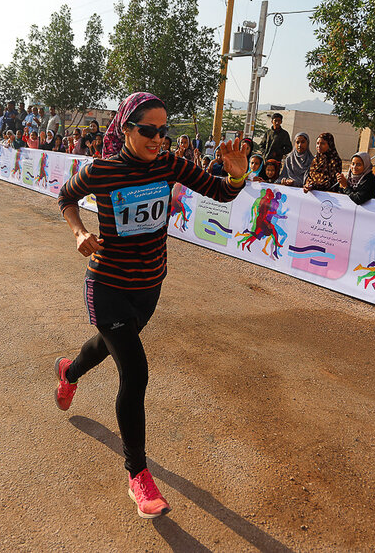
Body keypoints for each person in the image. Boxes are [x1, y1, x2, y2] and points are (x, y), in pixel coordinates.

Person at [54, 92, 248, 519]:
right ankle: (137, 475)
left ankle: (68, 372)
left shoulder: (170, 164)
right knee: (135, 372)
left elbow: (221, 191)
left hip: (149, 288)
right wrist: (77, 232)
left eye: (164, 130)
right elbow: (66, 197)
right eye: (149, 131)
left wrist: (235, 177)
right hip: (106, 285)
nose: (159, 138)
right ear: (126, 128)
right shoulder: (102, 170)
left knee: (105, 346)